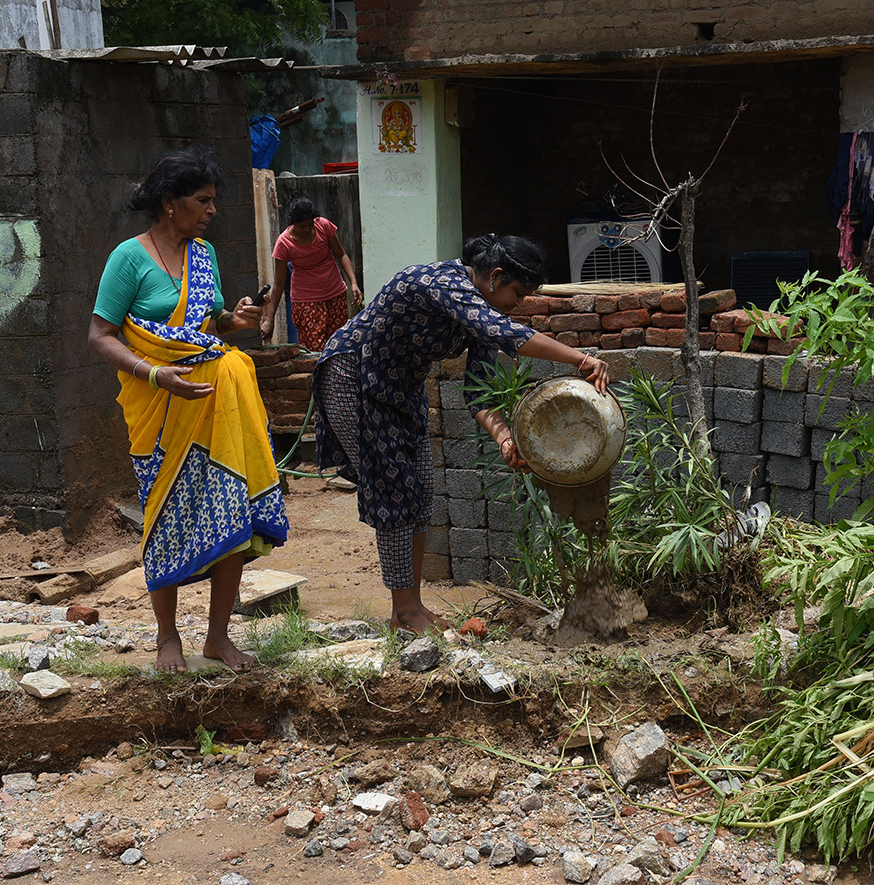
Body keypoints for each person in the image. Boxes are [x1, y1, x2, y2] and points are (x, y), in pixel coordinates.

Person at [311, 234, 610, 636]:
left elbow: (478, 391)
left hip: (401, 388)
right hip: (354, 375)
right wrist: (582, 358)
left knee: (420, 487)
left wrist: (504, 438)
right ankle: (404, 612)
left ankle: (411, 606)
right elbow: (505, 333)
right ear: (495, 276)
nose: (516, 305)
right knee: (394, 488)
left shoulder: (480, 311)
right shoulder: (439, 282)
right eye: (517, 294)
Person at [87, 145, 289, 673]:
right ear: (169, 203)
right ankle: (166, 637)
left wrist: (236, 320)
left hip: (214, 405)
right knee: (167, 518)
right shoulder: (128, 258)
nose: (212, 210)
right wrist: (155, 374)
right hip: (161, 408)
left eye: (213, 201)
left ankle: (218, 637)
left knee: (232, 514)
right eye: (203, 201)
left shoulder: (205, 255)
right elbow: (100, 335)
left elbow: (209, 322)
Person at [261, 193, 362, 351]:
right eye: (302, 226)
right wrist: (270, 319)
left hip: (335, 294)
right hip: (307, 303)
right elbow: (279, 283)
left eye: (310, 225)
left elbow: (341, 254)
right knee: (315, 351)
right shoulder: (284, 243)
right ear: (292, 223)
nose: (308, 230)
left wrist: (353, 283)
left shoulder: (324, 226)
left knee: (338, 345)